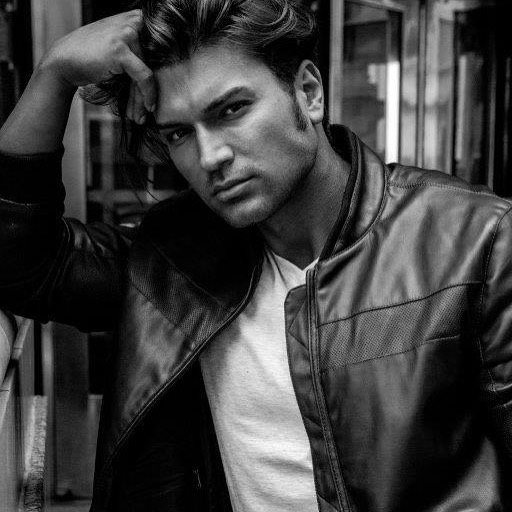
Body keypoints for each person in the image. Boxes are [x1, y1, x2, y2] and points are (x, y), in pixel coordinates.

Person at [0, 0, 511, 511]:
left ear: (307, 93)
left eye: (231, 110)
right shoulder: (176, 257)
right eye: (179, 132)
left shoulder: (476, 240)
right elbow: (24, 266)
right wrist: (54, 73)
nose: (210, 157)